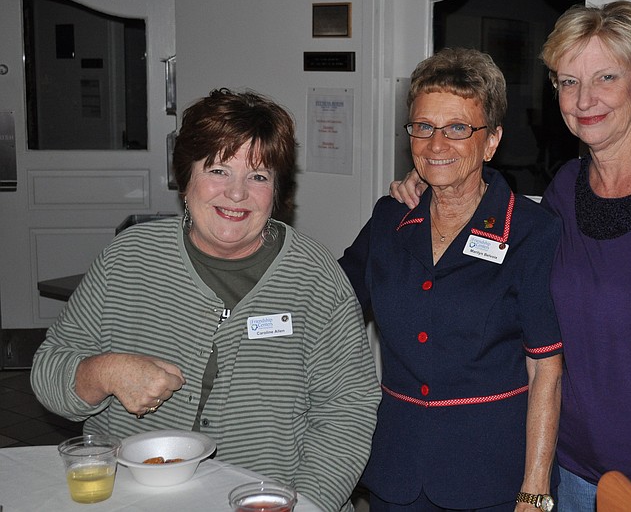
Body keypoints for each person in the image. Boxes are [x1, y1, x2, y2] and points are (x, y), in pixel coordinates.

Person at [390, 2, 631, 512]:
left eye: (605, 77)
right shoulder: (566, 187)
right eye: (568, 82)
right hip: (573, 470)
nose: (584, 99)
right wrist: (434, 178)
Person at [31, 88, 381, 512]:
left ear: (277, 190)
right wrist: (103, 372)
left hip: (266, 501)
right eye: (218, 170)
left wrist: (304, 503)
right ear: (185, 177)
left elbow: (348, 409)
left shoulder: (315, 277)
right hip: (133, 497)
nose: (236, 194)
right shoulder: (128, 259)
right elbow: (50, 370)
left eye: (258, 176)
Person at [339, 48, 563, 512]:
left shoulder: (531, 232)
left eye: (458, 128)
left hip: (492, 477)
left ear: (492, 140)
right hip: (395, 474)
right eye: (423, 126)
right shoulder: (389, 219)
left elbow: (546, 368)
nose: (436, 144)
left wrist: (535, 487)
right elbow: (326, 301)